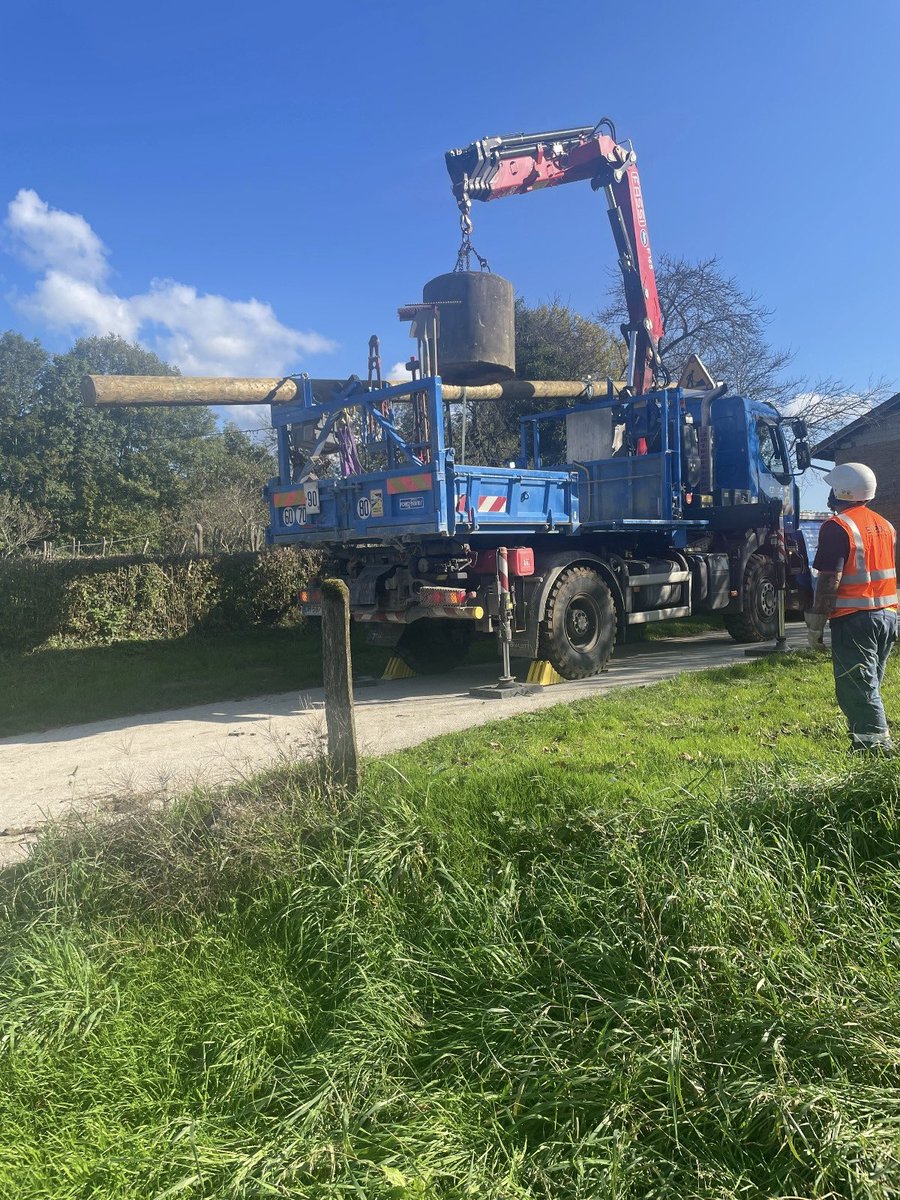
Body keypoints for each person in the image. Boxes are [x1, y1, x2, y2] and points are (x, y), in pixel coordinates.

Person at [805, 462, 897, 752]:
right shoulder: (885, 525)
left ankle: (875, 753)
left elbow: (829, 580)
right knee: (868, 686)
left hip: (854, 620)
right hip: (888, 617)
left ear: (841, 491)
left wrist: (815, 626)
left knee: (857, 689)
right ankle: (867, 743)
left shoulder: (838, 527)